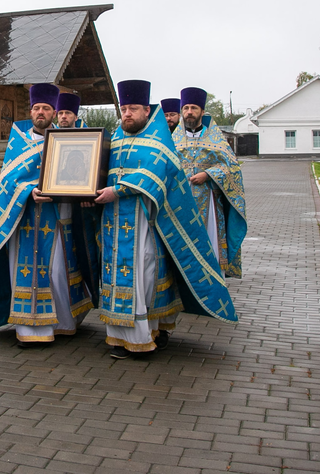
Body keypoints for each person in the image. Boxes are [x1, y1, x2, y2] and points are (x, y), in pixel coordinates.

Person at [94, 80, 237, 358]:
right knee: (117, 275)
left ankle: (143, 334)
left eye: (133, 108)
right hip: (113, 218)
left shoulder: (159, 138)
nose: (127, 114)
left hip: (145, 220)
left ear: (146, 110)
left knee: (144, 275)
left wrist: (118, 189)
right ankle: (120, 336)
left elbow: (155, 173)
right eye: (123, 109)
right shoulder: (117, 137)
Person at [0, 83, 96, 346]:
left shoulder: (68, 140)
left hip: (59, 214)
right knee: (26, 270)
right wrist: (29, 191)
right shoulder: (18, 141)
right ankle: (29, 330)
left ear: (54, 112)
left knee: (57, 270)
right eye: (36, 108)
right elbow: (7, 181)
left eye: (46, 108)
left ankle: (63, 322)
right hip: (26, 216)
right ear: (30, 111)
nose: (41, 112)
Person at [172, 87, 247, 278]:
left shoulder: (215, 138)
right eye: (186, 108)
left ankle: (213, 280)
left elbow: (232, 167)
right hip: (180, 202)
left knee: (210, 243)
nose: (189, 112)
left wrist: (208, 174)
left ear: (202, 112)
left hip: (209, 202)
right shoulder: (173, 140)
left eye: (194, 108)